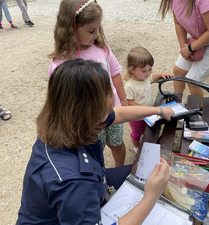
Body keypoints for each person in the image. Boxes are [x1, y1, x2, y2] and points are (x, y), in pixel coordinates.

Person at [16, 58, 173, 225]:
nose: (107, 117)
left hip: (95, 184)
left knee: (149, 171)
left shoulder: (62, 123)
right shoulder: (75, 182)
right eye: (103, 113)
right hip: (82, 193)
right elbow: (78, 186)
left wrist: (158, 110)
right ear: (88, 113)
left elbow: (119, 114)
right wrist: (150, 197)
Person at [48, 0, 128, 167]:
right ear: (71, 28)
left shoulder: (102, 49)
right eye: (91, 30)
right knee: (93, 151)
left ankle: (119, 171)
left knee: (117, 143)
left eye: (99, 28)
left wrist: (124, 101)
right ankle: (98, 178)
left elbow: (115, 74)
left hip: (114, 111)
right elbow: (60, 101)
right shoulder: (61, 64)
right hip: (88, 122)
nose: (97, 34)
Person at [159, 0, 209, 105]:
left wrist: (190, 48)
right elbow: (178, 24)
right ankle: (176, 104)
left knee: (193, 80)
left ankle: (197, 114)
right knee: (178, 71)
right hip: (198, 38)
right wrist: (184, 47)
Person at [124, 46, 173, 152]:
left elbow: (152, 77)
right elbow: (129, 103)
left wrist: (160, 74)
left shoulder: (145, 78)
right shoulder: (129, 86)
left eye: (150, 69)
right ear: (132, 69)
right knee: (137, 133)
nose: (148, 73)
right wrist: (144, 109)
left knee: (149, 128)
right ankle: (136, 146)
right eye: (144, 70)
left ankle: (149, 141)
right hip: (136, 117)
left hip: (149, 112)